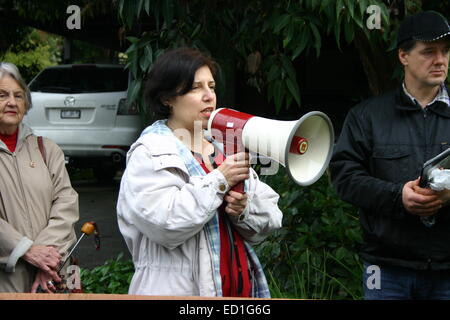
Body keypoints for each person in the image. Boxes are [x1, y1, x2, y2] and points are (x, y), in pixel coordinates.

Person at [117, 47, 283, 297]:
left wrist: (242, 211)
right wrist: (219, 181)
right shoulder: (150, 152)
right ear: (167, 98)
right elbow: (164, 223)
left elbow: (272, 215)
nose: (209, 96)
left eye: (212, 86)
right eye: (196, 88)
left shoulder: (222, 148)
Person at [330, 11, 450, 300]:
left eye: (446, 51)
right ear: (403, 56)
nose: (440, 60)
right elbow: (344, 178)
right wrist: (398, 197)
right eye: (429, 51)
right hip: (386, 270)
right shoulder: (367, 116)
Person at [0, 62, 79, 293]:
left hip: (50, 278)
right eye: (2, 95)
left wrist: (47, 257)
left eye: (19, 96)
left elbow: (66, 203)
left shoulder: (47, 150)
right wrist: (26, 250)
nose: (12, 102)